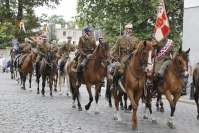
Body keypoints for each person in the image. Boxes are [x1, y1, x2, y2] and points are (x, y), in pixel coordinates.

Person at [110, 23, 139, 91]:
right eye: (128, 29)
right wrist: (116, 57)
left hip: (133, 57)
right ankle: (114, 84)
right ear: (125, 30)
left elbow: (137, 49)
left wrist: (133, 53)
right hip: (122, 57)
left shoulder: (135, 39)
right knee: (118, 68)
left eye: (131, 29)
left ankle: (144, 87)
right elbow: (115, 50)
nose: (129, 30)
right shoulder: (120, 38)